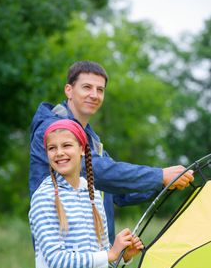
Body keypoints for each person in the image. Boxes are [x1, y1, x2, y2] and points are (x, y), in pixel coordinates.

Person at [30, 60, 194, 244]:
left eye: (100, 90)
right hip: (65, 247)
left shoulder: (92, 140)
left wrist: (165, 183)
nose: (94, 95)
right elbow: (95, 170)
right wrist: (158, 175)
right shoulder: (53, 130)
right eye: (87, 87)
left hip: (96, 252)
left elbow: (119, 193)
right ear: (69, 90)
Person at [29, 119, 144, 268]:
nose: (59, 153)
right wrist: (109, 255)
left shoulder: (92, 196)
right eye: (52, 148)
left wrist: (121, 255)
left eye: (66, 145)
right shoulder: (44, 197)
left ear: (82, 149)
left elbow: (98, 258)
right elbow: (58, 261)